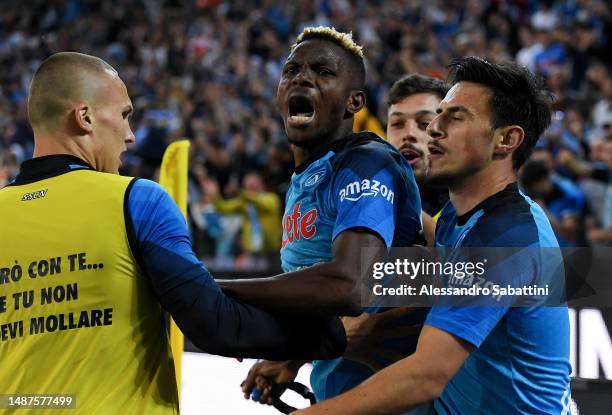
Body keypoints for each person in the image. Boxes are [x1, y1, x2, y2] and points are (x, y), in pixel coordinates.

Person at [0, 52, 346, 414]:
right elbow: (213, 322)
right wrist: (330, 335)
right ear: (85, 117)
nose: (130, 136)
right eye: (124, 115)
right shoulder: (134, 199)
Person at [293, 57, 572, 414]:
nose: (433, 129)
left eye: (454, 118)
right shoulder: (456, 217)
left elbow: (425, 376)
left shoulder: (506, 237)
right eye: (437, 115)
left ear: (506, 139)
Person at [216, 27, 423, 404]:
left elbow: (349, 284)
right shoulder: (305, 178)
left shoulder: (367, 164)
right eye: (291, 70)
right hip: (342, 391)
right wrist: (292, 356)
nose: (302, 77)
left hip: (398, 402)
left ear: (353, 101)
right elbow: (328, 304)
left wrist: (220, 290)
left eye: (323, 72)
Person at [386, 74, 450, 245]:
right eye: (397, 124)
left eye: (424, 123)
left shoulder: (479, 205)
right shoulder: (365, 199)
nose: (409, 134)